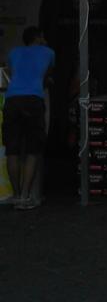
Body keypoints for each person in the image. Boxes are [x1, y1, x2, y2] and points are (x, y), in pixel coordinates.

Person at [2, 26, 54, 210]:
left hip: (12, 99)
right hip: (33, 99)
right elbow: (46, 76)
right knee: (33, 149)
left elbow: (10, 72)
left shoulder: (14, 52)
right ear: (39, 37)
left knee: (12, 150)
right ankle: (25, 197)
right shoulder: (48, 51)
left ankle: (16, 195)